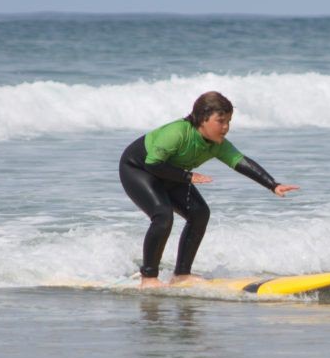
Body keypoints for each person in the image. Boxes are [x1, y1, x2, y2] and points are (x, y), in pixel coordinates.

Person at [119, 91, 299, 287]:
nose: (226, 127)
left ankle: (181, 275)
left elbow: (240, 161)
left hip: (172, 173)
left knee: (199, 213)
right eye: (220, 121)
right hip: (138, 169)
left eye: (229, 121)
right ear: (202, 119)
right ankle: (149, 278)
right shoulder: (177, 133)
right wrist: (187, 177)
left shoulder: (217, 145)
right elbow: (153, 164)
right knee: (163, 216)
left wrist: (272, 184)